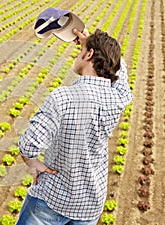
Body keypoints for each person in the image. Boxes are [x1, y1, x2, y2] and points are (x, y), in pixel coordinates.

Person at [16, 28, 133, 225]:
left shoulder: (62, 98)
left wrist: (33, 164)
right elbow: (122, 75)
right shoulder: (118, 98)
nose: (78, 54)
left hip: (51, 201)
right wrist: (98, 46)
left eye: (81, 51)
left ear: (89, 55)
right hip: (90, 205)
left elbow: (28, 145)